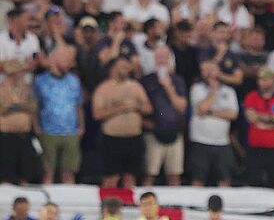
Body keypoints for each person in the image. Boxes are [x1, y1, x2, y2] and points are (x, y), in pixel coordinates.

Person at [92, 55, 152, 188]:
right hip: (112, 139)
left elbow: (148, 108)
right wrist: (119, 108)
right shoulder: (104, 88)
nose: (126, 69)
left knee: (130, 177)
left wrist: (135, 106)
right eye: (122, 67)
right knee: (111, 178)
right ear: (113, 68)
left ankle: (128, 200)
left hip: (134, 138)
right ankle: (109, 200)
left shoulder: (135, 87)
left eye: (127, 67)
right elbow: (97, 114)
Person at [34, 47, 83, 185]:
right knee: (47, 171)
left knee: (69, 171)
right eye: (65, 60)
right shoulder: (40, 81)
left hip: (71, 131)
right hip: (48, 130)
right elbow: (35, 105)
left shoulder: (74, 80)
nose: (68, 63)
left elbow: (78, 105)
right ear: (53, 60)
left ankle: (69, 196)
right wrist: (36, 125)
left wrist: (81, 126)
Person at [141, 45, 188, 187]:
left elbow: (182, 107)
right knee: (150, 174)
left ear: (170, 60)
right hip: (153, 134)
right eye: (158, 57)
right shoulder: (146, 80)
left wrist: (168, 87)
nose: (161, 61)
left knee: (174, 175)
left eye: (164, 57)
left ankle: (175, 201)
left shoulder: (178, 80)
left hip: (174, 133)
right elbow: (140, 106)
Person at [188, 60, 239, 187]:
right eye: (205, 70)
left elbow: (233, 114)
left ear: (218, 71)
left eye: (211, 69)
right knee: (198, 179)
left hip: (222, 142)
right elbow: (201, 109)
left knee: (224, 179)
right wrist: (213, 91)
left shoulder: (229, 91)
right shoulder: (197, 88)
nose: (209, 73)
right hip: (200, 142)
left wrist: (211, 112)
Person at [243, 67, 274, 188]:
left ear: (273, 81)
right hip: (255, 147)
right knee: (253, 182)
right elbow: (251, 118)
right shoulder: (251, 97)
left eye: (266, 79)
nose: (262, 82)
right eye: (260, 79)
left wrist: (262, 118)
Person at [0, 59, 37, 185]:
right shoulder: (1, 88)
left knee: (25, 167)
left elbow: (33, 107)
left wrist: (15, 106)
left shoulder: (26, 89)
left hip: (24, 133)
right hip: (6, 134)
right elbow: (3, 109)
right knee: (6, 167)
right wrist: (20, 106)